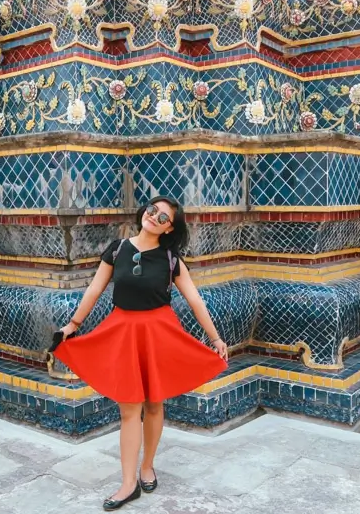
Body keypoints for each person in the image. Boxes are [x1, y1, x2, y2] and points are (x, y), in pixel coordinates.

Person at [52, 196, 229, 511]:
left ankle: (147, 466)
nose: (154, 217)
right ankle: (128, 483)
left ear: (169, 228)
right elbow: (94, 289)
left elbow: (195, 299)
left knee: (154, 402)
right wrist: (73, 324)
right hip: (123, 330)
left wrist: (215, 337)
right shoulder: (117, 249)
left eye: (163, 217)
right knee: (129, 408)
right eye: (152, 210)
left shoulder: (171, 259)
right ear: (143, 211)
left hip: (158, 332)